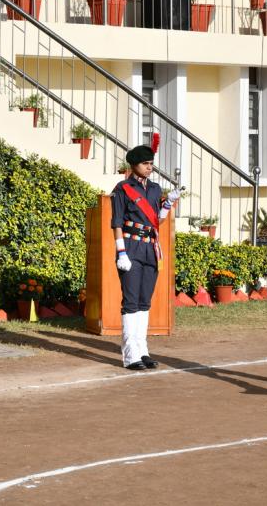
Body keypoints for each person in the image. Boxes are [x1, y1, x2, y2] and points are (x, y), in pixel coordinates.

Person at [111, 142, 180, 370]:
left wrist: (168, 203)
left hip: (150, 247)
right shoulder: (122, 188)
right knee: (131, 301)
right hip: (130, 246)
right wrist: (121, 252)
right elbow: (117, 223)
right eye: (145, 163)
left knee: (144, 301)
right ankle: (130, 354)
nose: (150, 167)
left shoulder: (155, 189)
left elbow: (157, 219)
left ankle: (142, 350)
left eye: (151, 163)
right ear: (134, 165)